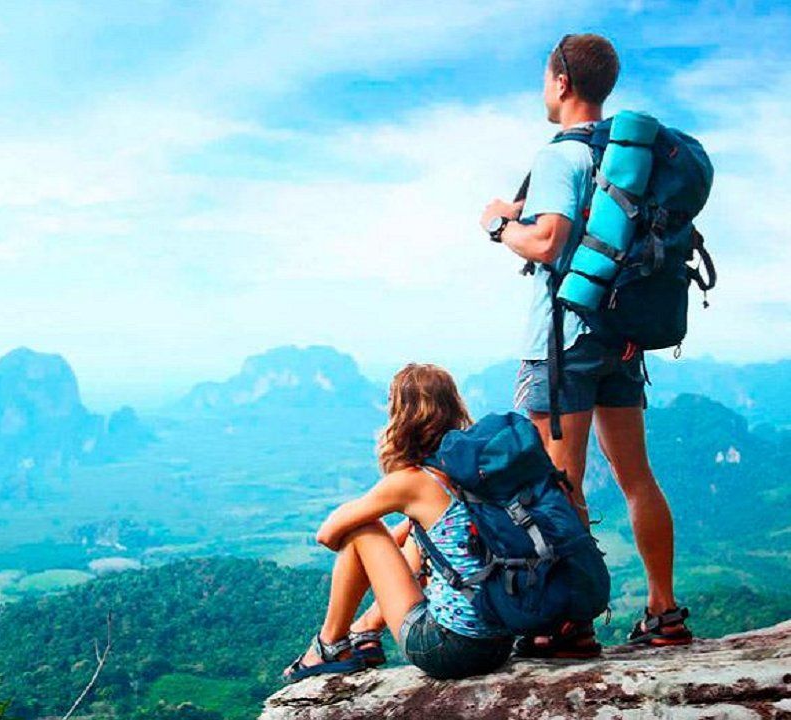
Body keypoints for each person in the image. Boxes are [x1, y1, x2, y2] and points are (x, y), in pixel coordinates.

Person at [478, 33, 691, 656]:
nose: (544, 90)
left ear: (562, 82)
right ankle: (664, 611)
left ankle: (569, 623)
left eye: (545, 79)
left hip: (564, 342)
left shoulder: (561, 157)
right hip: (622, 338)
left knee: (558, 481)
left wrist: (498, 224)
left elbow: (547, 242)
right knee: (636, 477)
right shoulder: (626, 159)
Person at [282, 364, 513, 682]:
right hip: (499, 644)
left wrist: (365, 520)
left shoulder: (413, 481)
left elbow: (328, 535)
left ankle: (329, 645)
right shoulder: (472, 472)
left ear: (402, 416)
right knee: (415, 533)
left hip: (449, 650)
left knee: (365, 529)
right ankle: (365, 632)